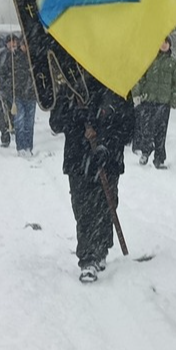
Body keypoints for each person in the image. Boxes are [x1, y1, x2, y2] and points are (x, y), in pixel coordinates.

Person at [49, 74, 135, 282]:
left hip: (108, 158)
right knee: (83, 208)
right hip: (78, 159)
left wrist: (106, 141)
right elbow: (56, 123)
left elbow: (129, 126)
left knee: (107, 205)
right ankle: (87, 258)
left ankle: (101, 249)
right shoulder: (70, 84)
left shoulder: (117, 82)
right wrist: (73, 112)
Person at [132, 36, 176, 169]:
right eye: (161, 42)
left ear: (170, 45)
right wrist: (137, 94)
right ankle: (145, 152)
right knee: (146, 128)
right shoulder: (148, 60)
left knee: (161, 131)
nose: (163, 45)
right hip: (148, 100)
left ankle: (159, 158)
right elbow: (138, 77)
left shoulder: (174, 63)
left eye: (166, 42)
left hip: (163, 102)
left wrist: (174, 98)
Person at [2, 35, 39, 156]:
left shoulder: (34, 57)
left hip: (31, 95)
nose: (26, 47)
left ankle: (28, 146)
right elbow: (3, 74)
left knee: (29, 122)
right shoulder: (12, 57)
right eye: (24, 44)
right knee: (19, 121)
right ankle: (20, 147)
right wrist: (9, 90)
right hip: (17, 95)